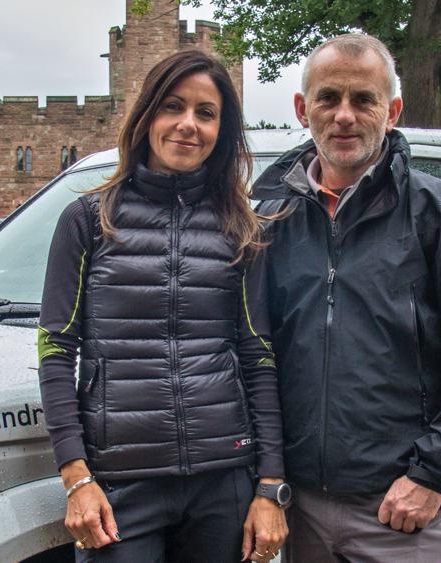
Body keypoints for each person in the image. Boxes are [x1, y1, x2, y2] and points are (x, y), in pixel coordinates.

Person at [251, 34, 441, 562]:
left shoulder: (435, 211)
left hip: (396, 510)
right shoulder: (271, 219)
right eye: (328, 99)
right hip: (297, 507)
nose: (344, 116)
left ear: (392, 110)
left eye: (364, 100)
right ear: (303, 110)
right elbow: (252, 350)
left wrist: (431, 474)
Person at [38, 50, 289, 563]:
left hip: (224, 482)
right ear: (148, 114)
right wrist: (75, 476)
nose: (187, 125)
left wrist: (270, 485)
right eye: (173, 106)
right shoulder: (89, 220)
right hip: (121, 487)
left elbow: (258, 355)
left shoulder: (241, 229)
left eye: (206, 112)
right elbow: (56, 349)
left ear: (222, 129)